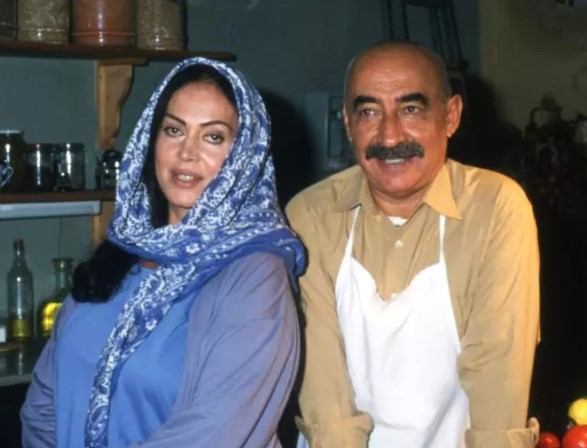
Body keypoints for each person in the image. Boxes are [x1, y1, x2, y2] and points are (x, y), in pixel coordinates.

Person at [21, 57, 305, 448]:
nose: (186, 152)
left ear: (245, 157)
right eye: (174, 130)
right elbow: (43, 406)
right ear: (149, 140)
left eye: (213, 137)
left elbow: (208, 435)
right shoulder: (121, 254)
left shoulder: (256, 277)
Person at [286, 41, 540, 448]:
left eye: (411, 109)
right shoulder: (312, 215)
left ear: (450, 116)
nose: (390, 136)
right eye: (369, 112)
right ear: (348, 124)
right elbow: (324, 390)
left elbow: (498, 374)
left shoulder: (494, 208)